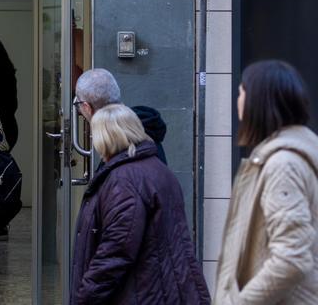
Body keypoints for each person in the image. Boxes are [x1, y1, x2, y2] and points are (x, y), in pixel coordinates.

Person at [71, 104, 210, 304]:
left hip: (144, 291)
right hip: (164, 287)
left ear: (107, 138)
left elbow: (116, 251)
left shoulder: (125, 180)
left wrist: (84, 297)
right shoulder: (156, 168)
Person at [214, 60, 318, 304]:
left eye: (241, 92)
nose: (238, 99)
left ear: (257, 101)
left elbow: (291, 258)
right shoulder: (289, 155)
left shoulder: (283, 165)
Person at [74, 68, 168, 164]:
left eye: (78, 105)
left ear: (86, 107)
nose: (80, 111)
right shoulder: (144, 132)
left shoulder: (120, 151)